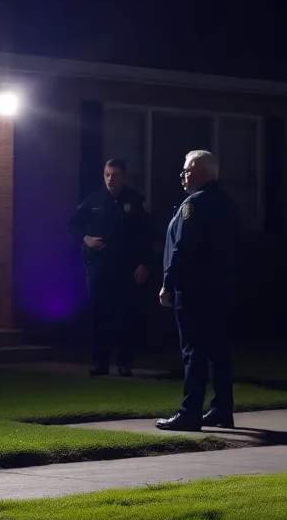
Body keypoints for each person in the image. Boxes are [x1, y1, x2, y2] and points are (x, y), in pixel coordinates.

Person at [155, 150, 241, 431]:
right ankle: (222, 409)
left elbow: (183, 248)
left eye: (187, 170)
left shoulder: (194, 205)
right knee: (218, 351)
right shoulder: (227, 204)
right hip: (220, 290)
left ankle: (189, 412)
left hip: (193, 290)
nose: (183, 175)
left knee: (193, 350)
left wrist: (168, 283)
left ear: (202, 172)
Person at [68, 158, 154, 376]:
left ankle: (124, 362)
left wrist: (144, 263)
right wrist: (85, 238)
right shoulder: (95, 200)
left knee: (125, 315)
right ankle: (100, 361)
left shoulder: (135, 201)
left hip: (126, 267)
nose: (110, 179)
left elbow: (149, 235)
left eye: (114, 175)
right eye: (107, 174)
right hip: (98, 265)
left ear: (123, 177)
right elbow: (73, 224)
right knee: (99, 315)